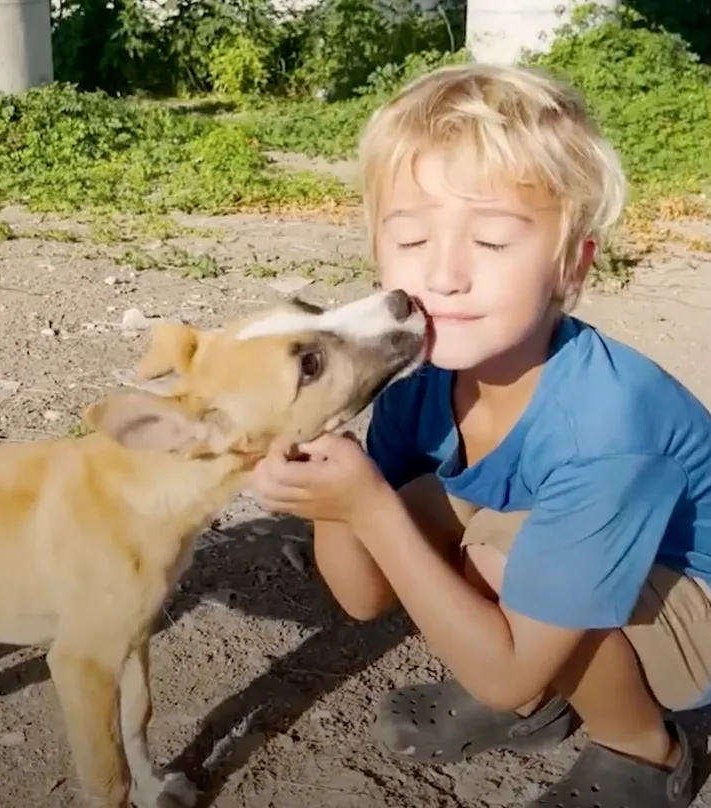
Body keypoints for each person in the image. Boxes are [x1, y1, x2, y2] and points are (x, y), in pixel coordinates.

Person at [248, 61, 711, 808]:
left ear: (570, 270)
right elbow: (363, 597)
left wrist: (369, 508)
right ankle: (537, 699)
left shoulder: (608, 425)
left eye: (492, 241)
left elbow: (402, 544)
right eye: (409, 240)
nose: (446, 275)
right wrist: (335, 481)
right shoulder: (419, 389)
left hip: (692, 604)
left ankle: (643, 748)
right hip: (577, 566)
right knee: (437, 509)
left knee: (494, 550)